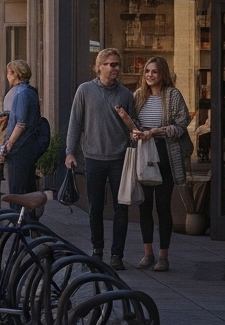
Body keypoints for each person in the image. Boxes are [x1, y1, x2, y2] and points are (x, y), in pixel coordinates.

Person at [117, 56, 191, 272]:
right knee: (144, 205)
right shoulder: (138, 95)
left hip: (165, 152)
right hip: (144, 152)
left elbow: (181, 125)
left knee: (163, 206)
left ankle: (163, 256)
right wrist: (133, 128)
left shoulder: (173, 95)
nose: (150, 75)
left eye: (155, 72)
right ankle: (147, 253)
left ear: (163, 74)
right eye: (147, 71)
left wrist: (157, 131)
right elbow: (133, 126)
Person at [65, 48, 137, 270]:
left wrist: (133, 149)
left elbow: (133, 129)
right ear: (99, 67)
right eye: (110, 64)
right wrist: (70, 152)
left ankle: (117, 254)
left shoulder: (125, 94)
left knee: (120, 208)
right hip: (93, 157)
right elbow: (75, 123)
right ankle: (97, 249)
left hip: (119, 158)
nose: (114, 68)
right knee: (95, 207)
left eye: (117, 64)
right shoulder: (85, 90)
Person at [0, 60, 43, 197]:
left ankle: (20, 218)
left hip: (20, 147)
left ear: (15, 74)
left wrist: (7, 146)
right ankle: (29, 217)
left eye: (8, 74)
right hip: (29, 146)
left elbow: (21, 124)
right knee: (28, 189)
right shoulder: (32, 91)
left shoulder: (21, 94)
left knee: (17, 191)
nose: (7, 77)